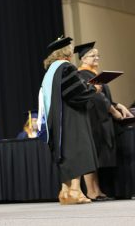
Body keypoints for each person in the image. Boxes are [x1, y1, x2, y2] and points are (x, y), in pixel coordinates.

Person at [37, 37, 98, 205]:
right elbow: (76, 93)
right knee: (76, 149)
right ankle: (75, 191)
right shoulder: (66, 67)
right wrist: (94, 88)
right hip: (71, 116)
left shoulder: (50, 71)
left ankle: (64, 192)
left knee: (63, 152)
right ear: (68, 52)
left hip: (57, 118)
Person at [75, 42, 119, 201]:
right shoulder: (82, 75)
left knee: (97, 157)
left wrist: (117, 105)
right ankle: (91, 191)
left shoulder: (94, 74)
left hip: (100, 118)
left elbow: (104, 96)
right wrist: (113, 111)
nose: (96, 58)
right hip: (91, 118)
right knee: (92, 156)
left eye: (97, 55)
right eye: (93, 55)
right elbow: (96, 97)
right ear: (83, 59)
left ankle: (97, 190)